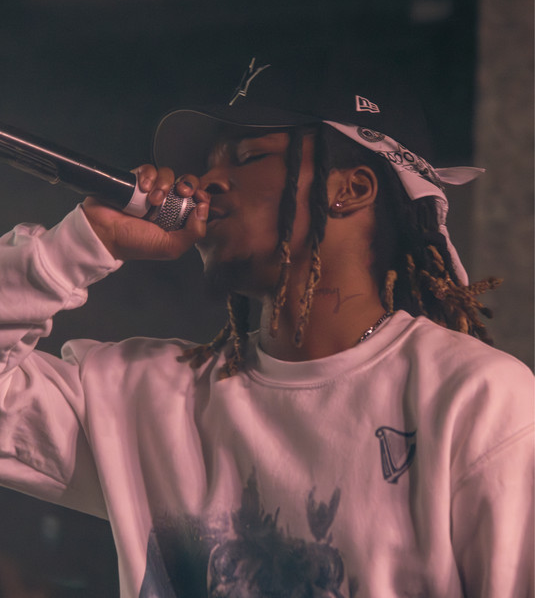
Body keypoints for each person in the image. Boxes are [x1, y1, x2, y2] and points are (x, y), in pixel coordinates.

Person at [0, 53, 533, 598]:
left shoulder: (473, 397)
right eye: (209, 164)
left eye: (249, 156)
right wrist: (79, 245)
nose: (205, 182)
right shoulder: (145, 396)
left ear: (351, 189)